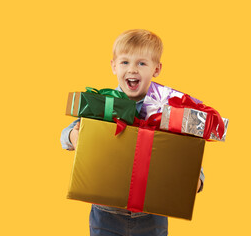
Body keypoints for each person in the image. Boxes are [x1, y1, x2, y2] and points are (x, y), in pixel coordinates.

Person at [60, 29, 205, 236]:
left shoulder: (169, 110)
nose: (132, 69)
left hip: (152, 217)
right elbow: (65, 135)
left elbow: (185, 151)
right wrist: (73, 137)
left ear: (157, 68)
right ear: (113, 66)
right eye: (125, 62)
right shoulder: (105, 104)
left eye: (142, 63)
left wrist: (195, 179)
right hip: (105, 215)